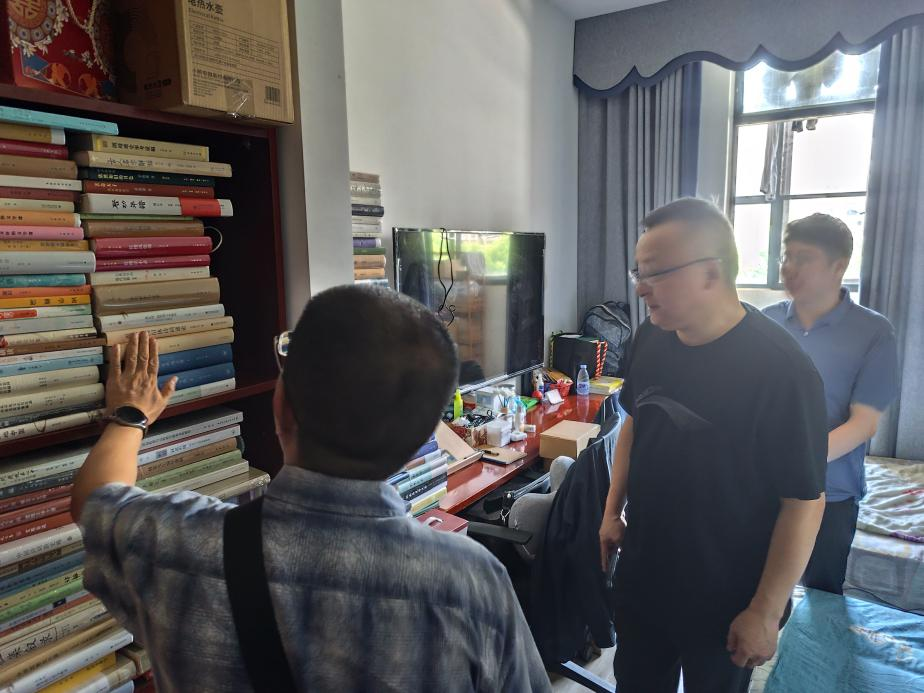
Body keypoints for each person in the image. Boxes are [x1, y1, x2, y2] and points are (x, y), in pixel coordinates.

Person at [72, 285, 550, 692]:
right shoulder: (472, 584)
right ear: (424, 440)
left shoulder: (179, 546)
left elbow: (95, 499)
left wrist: (130, 416)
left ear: (281, 407)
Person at [597, 198, 828, 693]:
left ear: (711, 272)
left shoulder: (783, 371)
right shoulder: (650, 338)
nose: (640, 287)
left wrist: (765, 610)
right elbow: (635, 422)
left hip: (728, 596)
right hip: (646, 577)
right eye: (638, 271)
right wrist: (612, 510)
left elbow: (805, 502)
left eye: (655, 273)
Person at [763, 213, 899, 594]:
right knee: (755, 589)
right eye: (786, 257)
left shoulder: (874, 332)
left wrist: (796, 460)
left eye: (803, 258)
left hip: (832, 492)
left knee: (821, 596)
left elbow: (864, 423)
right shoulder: (765, 323)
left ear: (839, 267)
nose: (789, 268)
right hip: (764, 487)